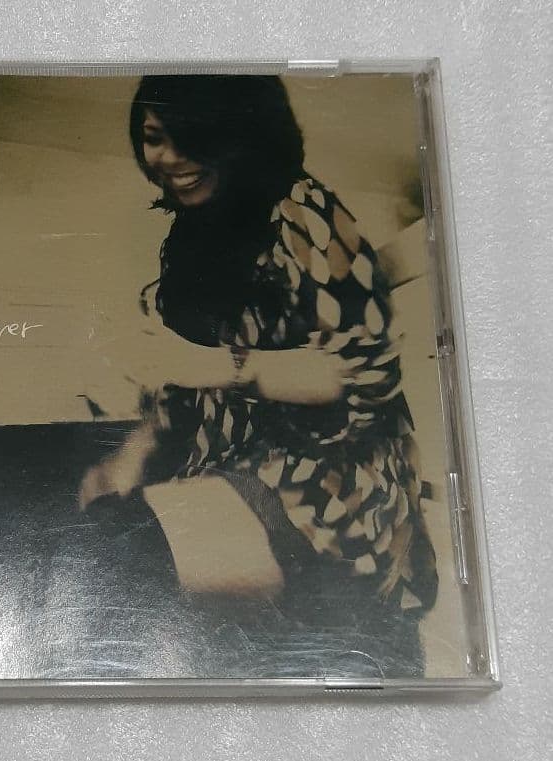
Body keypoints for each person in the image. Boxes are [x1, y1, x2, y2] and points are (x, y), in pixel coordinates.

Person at [79, 75, 438, 677]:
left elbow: (364, 374)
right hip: (237, 470)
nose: (169, 157)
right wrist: (132, 455)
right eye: (154, 137)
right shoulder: (189, 238)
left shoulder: (302, 210)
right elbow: (179, 384)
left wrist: (223, 366)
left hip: (331, 488)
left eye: (193, 136)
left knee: (130, 564)